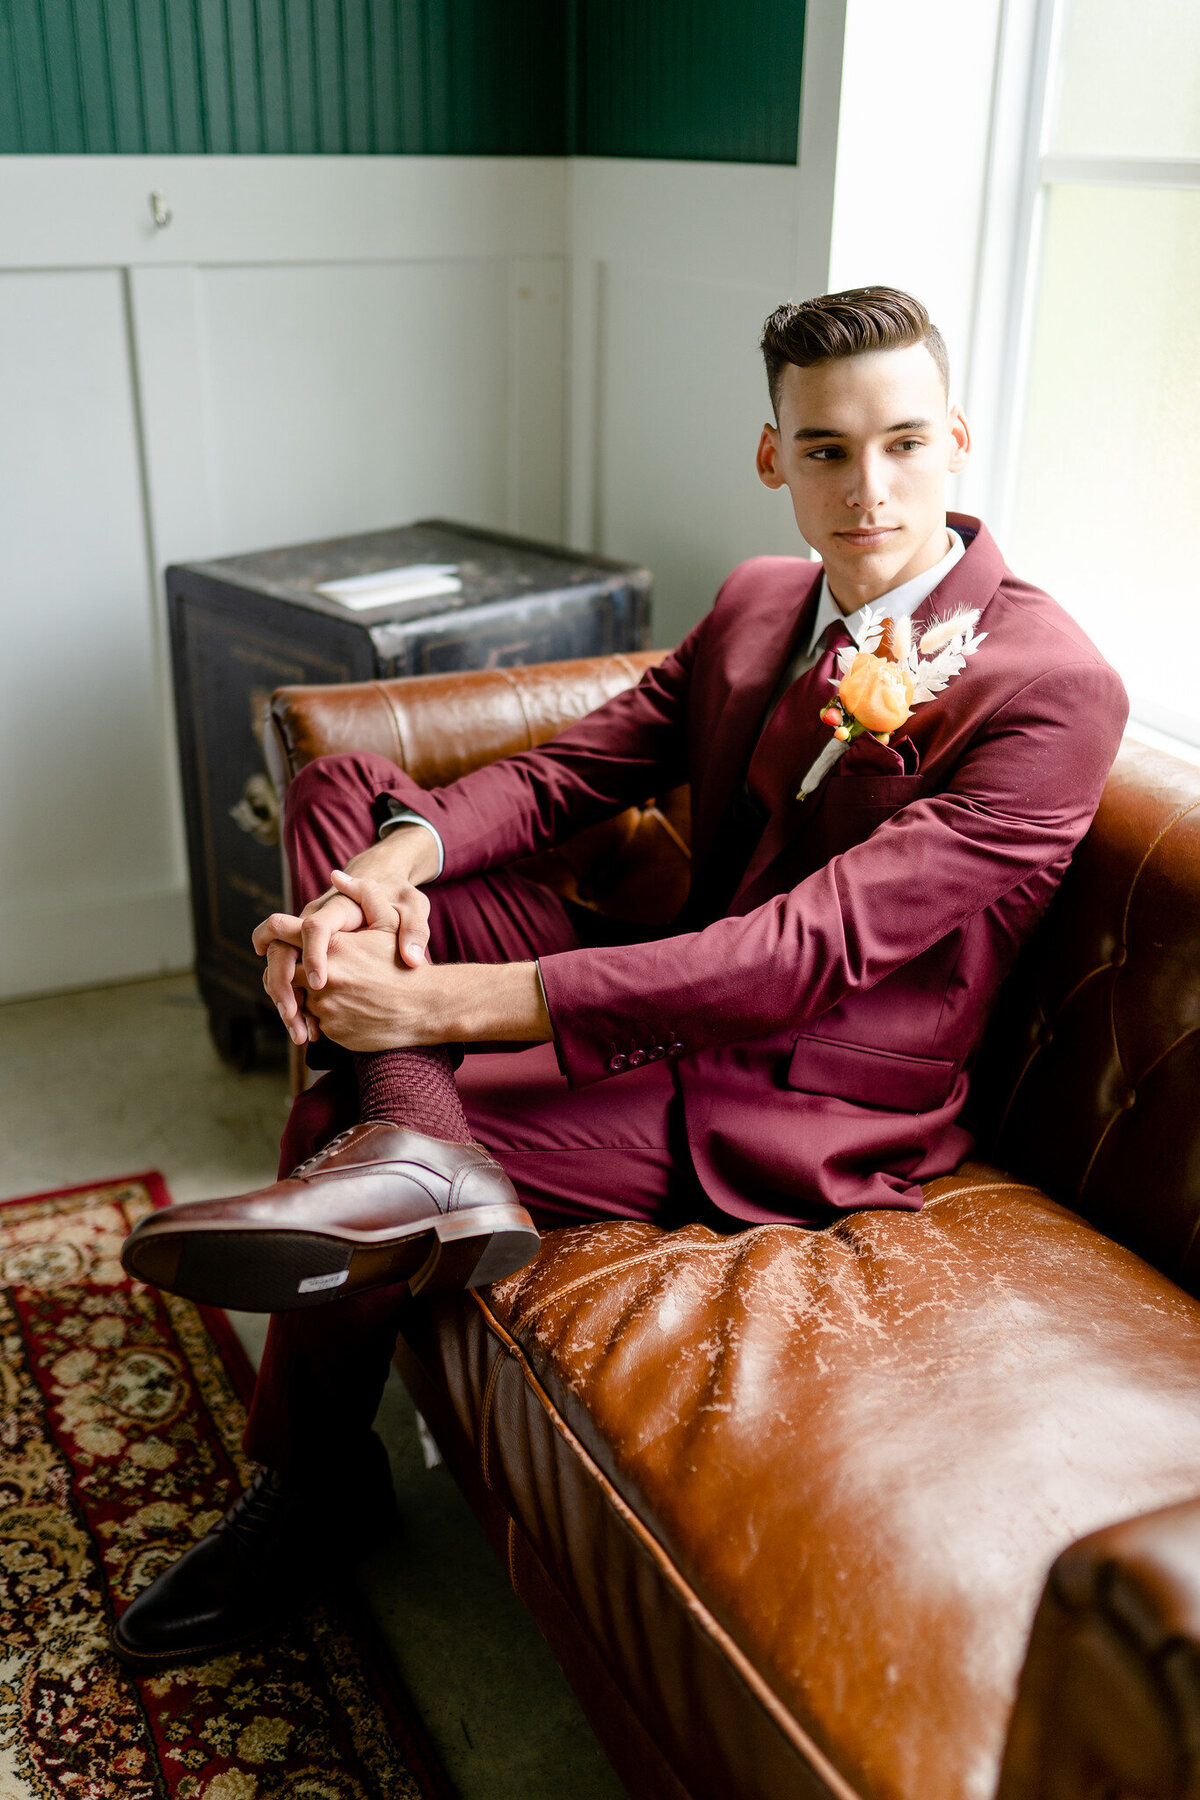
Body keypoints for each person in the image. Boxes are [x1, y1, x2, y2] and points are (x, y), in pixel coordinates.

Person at [113, 287, 1128, 1668]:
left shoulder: (1051, 685)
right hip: (651, 983)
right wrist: (378, 884)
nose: (867, 486)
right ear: (772, 456)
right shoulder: (761, 599)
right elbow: (565, 774)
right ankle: (422, 1158)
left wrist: (429, 1007)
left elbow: (800, 955)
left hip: (797, 1091)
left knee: (324, 1121)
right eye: (824, 449)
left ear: (955, 437)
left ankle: (317, 1482)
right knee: (350, 792)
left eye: (901, 442)